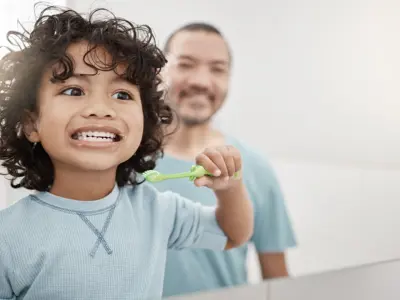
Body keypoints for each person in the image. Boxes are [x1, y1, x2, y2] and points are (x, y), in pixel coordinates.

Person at [0, 7, 254, 300]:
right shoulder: (8, 236)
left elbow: (232, 234)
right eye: (73, 90)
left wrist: (230, 189)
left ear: (145, 122)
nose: (101, 109)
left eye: (122, 95)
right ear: (32, 124)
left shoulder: (156, 211)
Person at [154, 23, 297, 297]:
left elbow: (279, 282)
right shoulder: (122, 161)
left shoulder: (256, 169)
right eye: (186, 64)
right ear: (160, 71)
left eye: (217, 69)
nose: (201, 81)